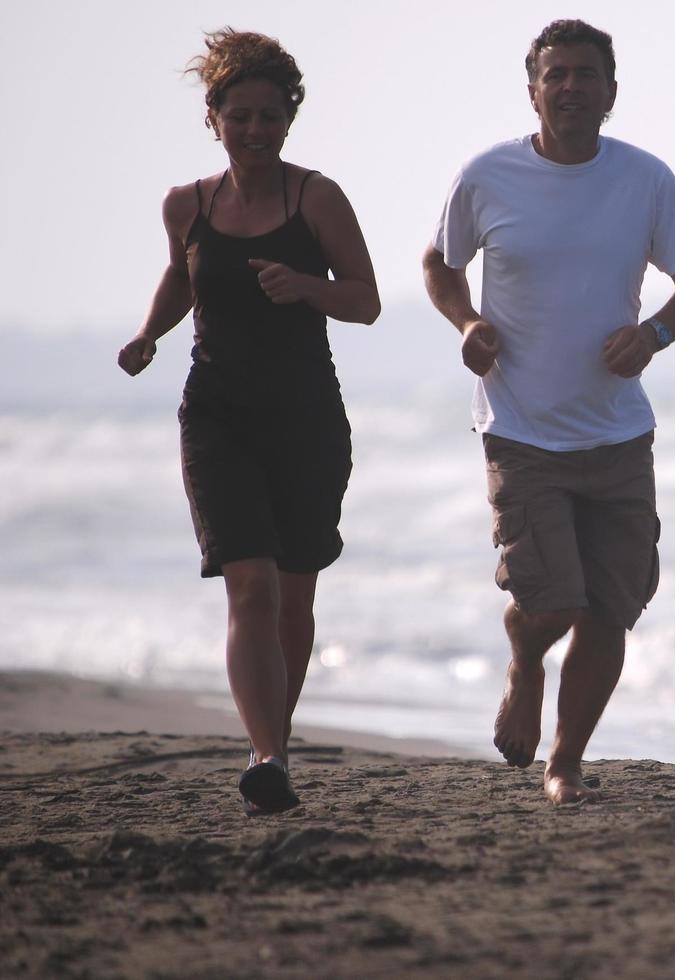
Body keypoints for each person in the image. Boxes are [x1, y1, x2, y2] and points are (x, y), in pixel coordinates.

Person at [423, 19, 675, 805]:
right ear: (534, 90)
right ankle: (525, 658)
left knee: (612, 611)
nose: (571, 87)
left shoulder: (644, 180)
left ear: (611, 93)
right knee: (553, 601)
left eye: (587, 75)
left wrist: (652, 334)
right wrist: (468, 324)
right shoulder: (487, 176)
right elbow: (439, 264)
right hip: (521, 430)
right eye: (556, 75)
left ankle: (567, 762)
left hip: (619, 432)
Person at [117, 28, 380, 815]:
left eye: (270, 116)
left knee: (295, 597)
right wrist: (147, 335)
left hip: (305, 417)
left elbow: (365, 300)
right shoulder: (186, 205)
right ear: (215, 118)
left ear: (288, 120)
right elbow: (181, 278)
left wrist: (306, 286)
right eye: (242, 117)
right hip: (217, 415)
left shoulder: (316, 198)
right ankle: (266, 754)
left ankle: (276, 745)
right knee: (250, 586)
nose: (256, 131)